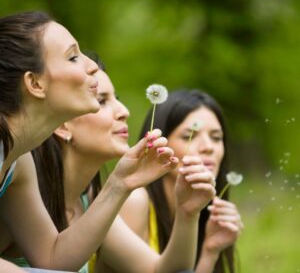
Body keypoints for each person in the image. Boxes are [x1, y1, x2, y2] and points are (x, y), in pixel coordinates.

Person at [0, 11, 177, 272]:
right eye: (73, 57)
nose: (92, 66)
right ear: (35, 83)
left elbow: (51, 258)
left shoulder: (19, 160)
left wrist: (119, 184)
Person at [4, 61, 216, 273]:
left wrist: (188, 213)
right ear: (62, 124)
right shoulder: (17, 194)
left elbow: (162, 271)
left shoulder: (91, 200)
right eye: (102, 101)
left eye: (118, 100)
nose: (124, 111)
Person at [119, 89, 244, 273]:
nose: (208, 147)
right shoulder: (135, 202)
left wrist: (210, 252)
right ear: (159, 144)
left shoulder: (201, 214)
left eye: (216, 138)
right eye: (189, 136)